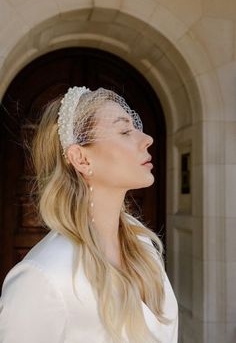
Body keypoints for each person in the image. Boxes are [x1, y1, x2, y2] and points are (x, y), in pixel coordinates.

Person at [0, 86, 178, 342]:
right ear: (81, 159)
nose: (146, 138)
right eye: (125, 131)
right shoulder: (43, 277)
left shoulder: (143, 246)